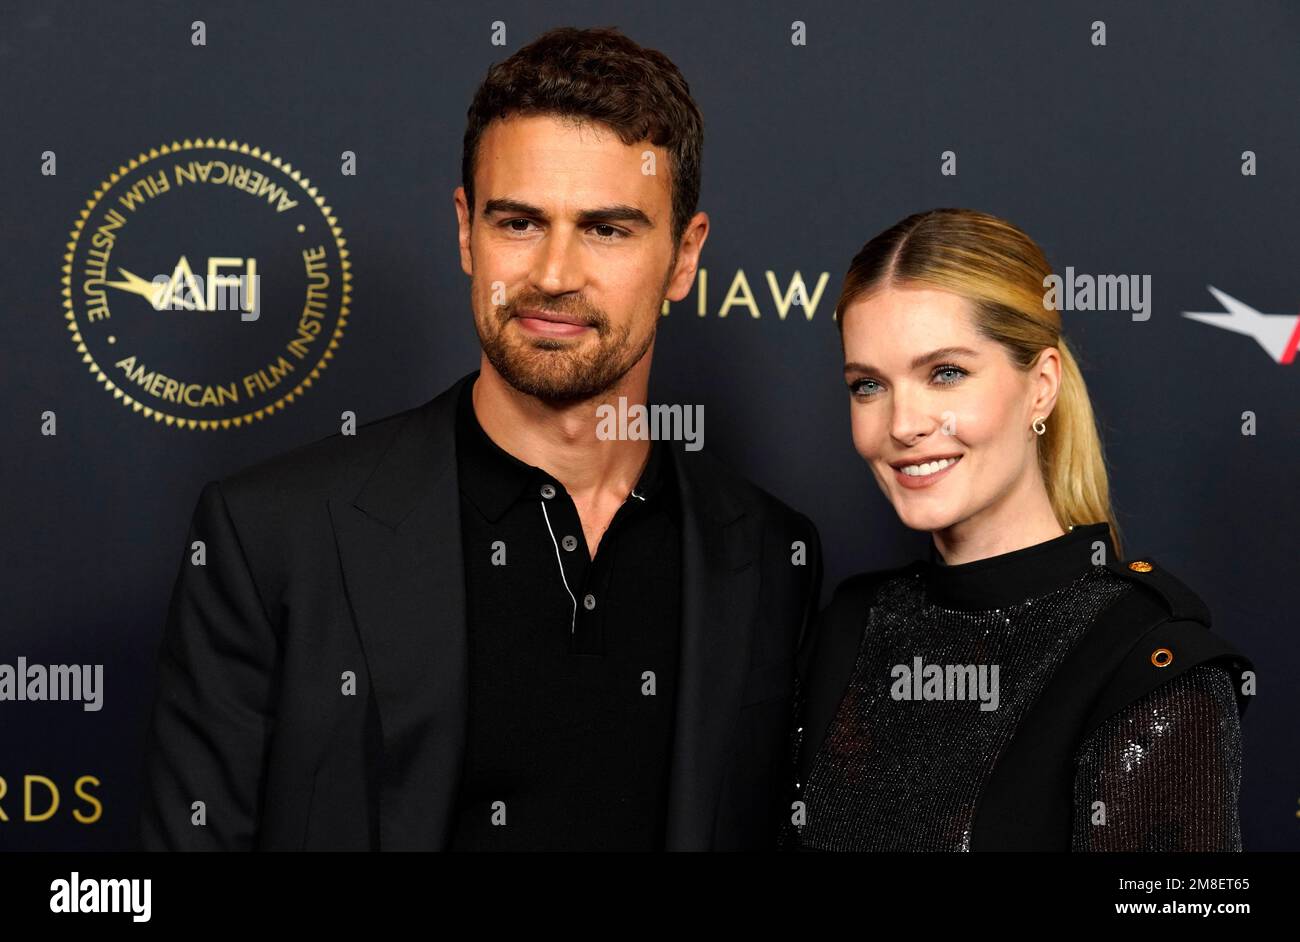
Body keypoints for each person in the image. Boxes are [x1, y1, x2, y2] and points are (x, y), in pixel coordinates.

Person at [139, 26, 821, 852]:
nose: (555, 274)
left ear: (683, 256)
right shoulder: (274, 537)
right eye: (520, 222)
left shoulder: (771, 557)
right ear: (467, 231)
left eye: (608, 229)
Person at [784, 208, 1253, 851]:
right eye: (868, 385)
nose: (902, 424)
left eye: (945, 373)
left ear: (1040, 387)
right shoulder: (853, 623)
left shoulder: (1146, 663)